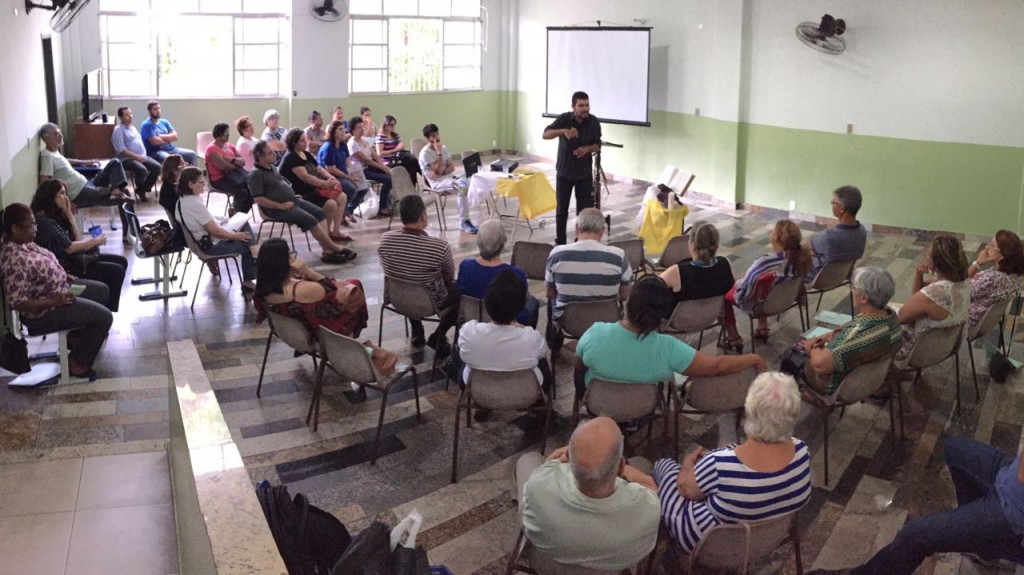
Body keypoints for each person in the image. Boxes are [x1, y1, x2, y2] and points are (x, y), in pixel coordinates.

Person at [630, 372, 811, 554]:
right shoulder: (802, 451)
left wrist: (687, 466)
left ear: (750, 410)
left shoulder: (721, 464)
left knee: (664, 466)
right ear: (794, 412)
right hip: (770, 538)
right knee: (710, 483)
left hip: (712, 548)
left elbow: (685, 489)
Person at [808, 435, 1024, 575]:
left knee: (915, 535)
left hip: (1014, 512)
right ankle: (982, 545)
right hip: (1010, 475)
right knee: (954, 448)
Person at [575, 275, 765, 398]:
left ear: (628, 303)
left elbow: (579, 365)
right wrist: (753, 358)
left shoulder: (596, 332)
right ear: (660, 316)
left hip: (596, 405)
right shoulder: (668, 348)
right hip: (642, 409)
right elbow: (715, 366)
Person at [516, 417, 660, 570]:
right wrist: (627, 471)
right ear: (620, 466)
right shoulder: (648, 508)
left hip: (547, 561)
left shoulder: (538, 484)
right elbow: (650, 487)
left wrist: (560, 461)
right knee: (642, 463)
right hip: (610, 568)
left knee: (528, 460)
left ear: (570, 462)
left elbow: (546, 469)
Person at [1, 203, 113, 380]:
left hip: (59, 291)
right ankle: (77, 363)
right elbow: (18, 302)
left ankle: (79, 339)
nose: (35, 229)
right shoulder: (13, 259)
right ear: (15, 228)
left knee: (102, 291)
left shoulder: (24, 243)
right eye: (31, 225)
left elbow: (43, 263)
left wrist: (62, 274)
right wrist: (55, 301)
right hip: (44, 312)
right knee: (104, 317)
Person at [797, 267, 903, 396]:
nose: (851, 290)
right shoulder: (890, 316)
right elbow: (845, 332)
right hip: (872, 379)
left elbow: (820, 364)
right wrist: (824, 337)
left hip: (840, 385)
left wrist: (812, 347)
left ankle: (810, 398)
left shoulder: (859, 332)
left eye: (853, 287)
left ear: (864, 298)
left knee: (793, 356)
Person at [247, 140, 356, 264]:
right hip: (276, 208)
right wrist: (280, 205)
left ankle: (327, 251)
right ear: (260, 157)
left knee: (320, 212)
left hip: (292, 200)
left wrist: (292, 195)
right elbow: (258, 199)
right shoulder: (256, 174)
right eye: (270, 153)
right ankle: (335, 248)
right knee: (310, 219)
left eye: (273, 151)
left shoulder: (271, 168)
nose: (275, 154)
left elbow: (283, 184)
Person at [31, 180, 128, 312]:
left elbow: (76, 237)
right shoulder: (43, 221)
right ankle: (106, 311)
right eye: (62, 193)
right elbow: (70, 247)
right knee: (116, 271)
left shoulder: (55, 215)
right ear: (50, 196)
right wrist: (95, 241)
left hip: (74, 259)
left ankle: (105, 309)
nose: (66, 198)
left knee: (121, 261)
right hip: (68, 267)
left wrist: (69, 215)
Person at [378, 195, 457, 355]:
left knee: (407, 277)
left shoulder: (385, 240)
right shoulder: (439, 247)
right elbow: (448, 278)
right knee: (462, 292)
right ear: (423, 215)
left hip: (397, 298)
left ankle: (417, 331)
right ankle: (438, 338)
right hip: (430, 303)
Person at [253, 238, 368, 339]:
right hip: (322, 335)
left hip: (290, 333)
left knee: (351, 284)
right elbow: (332, 288)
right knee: (354, 286)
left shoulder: (262, 288)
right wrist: (309, 272)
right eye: (290, 254)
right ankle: (354, 338)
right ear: (285, 261)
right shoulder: (303, 289)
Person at [458, 269, 550, 394]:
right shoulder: (532, 338)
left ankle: (481, 407)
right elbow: (542, 352)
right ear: (520, 307)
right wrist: (523, 328)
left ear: (487, 304)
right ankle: (541, 404)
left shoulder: (468, 332)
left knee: (463, 357)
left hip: (477, 389)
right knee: (542, 360)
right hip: (524, 392)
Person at [723, 219, 812, 347]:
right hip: (786, 301)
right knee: (764, 284)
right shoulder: (803, 260)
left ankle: (733, 337)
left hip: (760, 305)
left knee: (725, 293)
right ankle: (762, 327)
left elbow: (745, 292)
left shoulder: (764, 262)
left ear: (776, 238)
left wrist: (738, 281)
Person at [38, 123, 132, 239]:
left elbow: (64, 161)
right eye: (56, 134)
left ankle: (116, 189)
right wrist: (65, 204)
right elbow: (44, 183)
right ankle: (128, 234)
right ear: (47, 139)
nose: (60, 135)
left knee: (115, 162)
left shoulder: (54, 152)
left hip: (87, 185)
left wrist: (85, 162)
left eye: (59, 132)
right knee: (126, 194)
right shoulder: (46, 156)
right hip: (80, 194)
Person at [174, 166, 257, 294]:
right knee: (247, 244)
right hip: (210, 246)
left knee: (244, 226)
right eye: (201, 182)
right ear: (191, 184)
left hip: (205, 240)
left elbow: (206, 219)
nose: (205, 184)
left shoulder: (183, 201)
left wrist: (224, 220)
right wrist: (237, 236)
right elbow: (216, 232)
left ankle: (254, 253)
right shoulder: (194, 204)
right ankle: (250, 274)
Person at [894, 234, 970, 369]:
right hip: (945, 348)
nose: (924, 255)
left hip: (916, 353)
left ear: (938, 262)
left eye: (928, 255)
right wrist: (919, 274)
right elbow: (917, 298)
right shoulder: (963, 284)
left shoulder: (931, 295)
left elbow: (900, 319)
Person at [659, 221, 734, 349]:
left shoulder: (677, 272)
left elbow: (649, 288)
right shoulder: (724, 264)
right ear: (716, 246)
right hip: (709, 319)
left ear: (692, 245)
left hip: (677, 323)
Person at [545, 207, 629, 322]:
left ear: (576, 228)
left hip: (569, 322)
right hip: (606, 320)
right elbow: (624, 295)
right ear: (602, 231)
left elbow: (550, 293)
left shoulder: (557, 254)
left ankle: (553, 337)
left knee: (552, 301)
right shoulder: (618, 256)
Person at [543, 91, 602, 245]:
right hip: (565, 172)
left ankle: (580, 242)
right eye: (581, 105)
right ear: (573, 106)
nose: (585, 109)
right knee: (562, 210)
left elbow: (598, 145)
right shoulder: (564, 119)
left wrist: (587, 149)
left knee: (584, 212)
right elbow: (545, 134)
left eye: (587, 105)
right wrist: (563, 131)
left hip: (584, 174)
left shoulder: (594, 122)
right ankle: (560, 242)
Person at [456, 220, 539, 327]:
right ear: (503, 242)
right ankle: (526, 337)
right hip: (507, 322)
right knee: (533, 302)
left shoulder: (465, 266)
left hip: (472, 319)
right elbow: (522, 302)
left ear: (478, 241)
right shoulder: (516, 274)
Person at [280, 128, 351, 243]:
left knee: (342, 197)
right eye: (302, 140)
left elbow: (319, 169)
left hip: (313, 189)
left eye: (306, 139)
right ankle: (326, 236)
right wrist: (325, 184)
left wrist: (330, 177)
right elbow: (306, 177)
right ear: (294, 143)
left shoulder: (305, 153)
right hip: (300, 194)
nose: (306, 142)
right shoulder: (291, 157)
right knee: (331, 204)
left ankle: (336, 231)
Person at [418, 123, 478, 234]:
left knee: (472, 176)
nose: (436, 137)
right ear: (427, 138)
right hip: (437, 183)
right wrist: (439, 155)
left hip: (449, 178)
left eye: (437, 134)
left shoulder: (444, 148)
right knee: (462, 186)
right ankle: (464, 221)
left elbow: (452, 167)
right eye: (432, 135)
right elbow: (438, 171)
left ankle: (466, 212)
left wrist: (441, 171)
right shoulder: (425, 153)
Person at [966, 230, 1024, 331]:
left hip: (967, 321)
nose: (986, 247)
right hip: (986, 322)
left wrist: (977, 263)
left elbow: (959, 289)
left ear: (1003, 255)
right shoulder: (1016, 275)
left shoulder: (990, 279)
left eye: (992, 245)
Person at [806, 185, 867, 281]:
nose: (831, 204)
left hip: (817, 279)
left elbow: (805, 244)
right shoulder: (862, 231)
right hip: (841, 277)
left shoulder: (828, 237)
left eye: (833, 202)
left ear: (841, 208)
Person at [318, 120, 366, 224]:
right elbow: (330, 169)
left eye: (343, 129)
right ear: (333, 132)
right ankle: (340, 214)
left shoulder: (342, 144)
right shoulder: (328, 147)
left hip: (343, 173)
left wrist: (353, 173)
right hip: (330, 176)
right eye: (340, 129)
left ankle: (347, 210)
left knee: (364, 186)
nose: (343, 131)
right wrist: (349, 177)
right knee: (351, 188)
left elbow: (348, 161)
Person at [111, 106, 160, 202]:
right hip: (127, 159)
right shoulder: (118, 131)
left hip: (141, 156)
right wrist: (137, 157)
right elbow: (122, 150)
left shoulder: (132, 128)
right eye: (126, 115)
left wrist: (142, 156)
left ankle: (142, 189)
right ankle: (142, 190)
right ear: (120, 117)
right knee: (142, 170)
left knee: (158, 168)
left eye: (130, 114)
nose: (130, 117)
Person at [348, 116, 393, 218]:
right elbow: (366, 160)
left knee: (392, 174)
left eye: (362, 127)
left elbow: (374, 155)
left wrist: (383, 166)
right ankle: (383, 206)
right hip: (360, 170)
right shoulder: (352, 144)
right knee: (388, 179)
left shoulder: (364, 140)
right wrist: (382, 168)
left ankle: (386, 202)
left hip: (370, 167)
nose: (362, 129)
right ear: (353, 130)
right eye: (359, 128)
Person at [204, 122, 251, 213]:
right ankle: (237, 215)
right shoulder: (212, 149)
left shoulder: (229, 146)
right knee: (242, 192)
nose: (228, 135)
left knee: (251, 189)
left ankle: (240, 215)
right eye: (226, 133)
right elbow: (223, 166)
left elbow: (243, 161)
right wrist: (235, 163)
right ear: (219, 135)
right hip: (219, 180)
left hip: (234, 176)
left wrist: (229, 159)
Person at [138, 100, 196, 164]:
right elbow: (155, 142)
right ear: (149, 111)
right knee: (171, 159)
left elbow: (175, 136)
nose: (158, 111)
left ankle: (192, 173)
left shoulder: (164, 122)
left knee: (192, 154)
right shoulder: (146, 125)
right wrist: (169, 139)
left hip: (171, 149)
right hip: (156, 152)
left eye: (159, 108)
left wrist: (160, 136)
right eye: (155, 109)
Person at [376, 114, 421, 185]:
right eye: (391, 124)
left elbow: (401, 146)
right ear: (386, 125)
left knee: (412, 161)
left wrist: (399, 148)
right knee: (412, 162)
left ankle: (412, 185)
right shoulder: (381, 137)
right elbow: (379, 153)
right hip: (387, 162)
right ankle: (421, 182)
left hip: (397, 159)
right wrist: (395, 150)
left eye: (394, 124)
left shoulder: (395, 135)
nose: (393, 126)